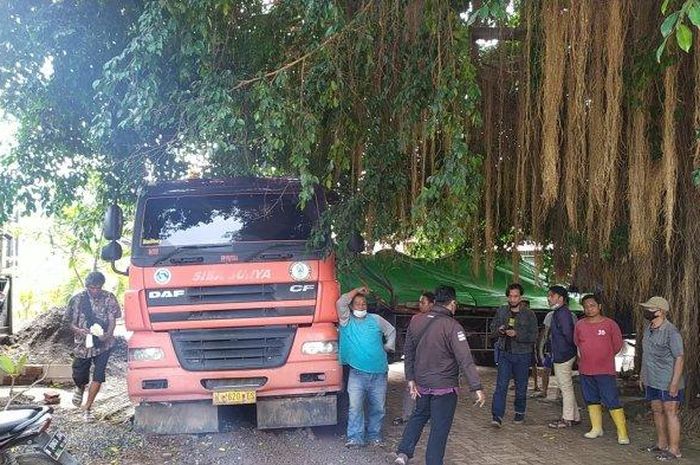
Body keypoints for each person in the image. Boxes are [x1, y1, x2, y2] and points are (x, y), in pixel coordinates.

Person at [394, 285, 485, 465]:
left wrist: (410, 378)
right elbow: (465, 359)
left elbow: (409, 352)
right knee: (439, 429)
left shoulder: (416, 320)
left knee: (419, 416)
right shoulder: (452, 326)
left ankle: (403, 454)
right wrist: (476, 387)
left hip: (421, 384)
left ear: (435, 301)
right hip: (444, 387)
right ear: (452, 304)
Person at [336, 286, 396, 448]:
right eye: (358, 304)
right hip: (357, 373)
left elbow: (391, 331)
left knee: (378, 407)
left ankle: (374, 435)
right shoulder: (346, 321)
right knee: (355, 407)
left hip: (379, 372)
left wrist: (389, 346)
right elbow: (341, 302)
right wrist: (356, 290)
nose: (361, 306)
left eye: (364, 304)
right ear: (351, 306)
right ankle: (355, 437)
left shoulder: (376, 319)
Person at [66, 271, 121, 422]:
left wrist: (108, 334)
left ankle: (87, 408)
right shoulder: (77, 299)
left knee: (98, 375)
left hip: (103, 344)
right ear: (86, 286)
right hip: (83, 345)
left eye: (98, 287)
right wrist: (80, 331)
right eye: (92, 287)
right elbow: (68, 322)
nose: (95, 290)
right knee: (80, 374)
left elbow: (112, 319)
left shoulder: (109, 298)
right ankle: (79, 387)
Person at [573, 294, 628, 444]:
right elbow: (577, 343)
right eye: (586, 306)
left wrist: (604, 356)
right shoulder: (580, 325)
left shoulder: (610, 324)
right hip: (586, 369)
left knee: (611, 399)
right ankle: (596, 428)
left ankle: (622, 432)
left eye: (592, 305)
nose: (589, 309)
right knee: (591, 399)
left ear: (599, 307)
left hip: (605, 370)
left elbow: (617, 345)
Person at [639, 296, 684, 461]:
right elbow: (646, 354)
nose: (647, 312)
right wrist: (643, 375)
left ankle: (674, 450)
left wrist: (674, 383)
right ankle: (662, 444)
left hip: (668, 380)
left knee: (671, 412)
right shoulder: (648, 328)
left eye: (651, 309)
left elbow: (679, 358)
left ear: (662, 311)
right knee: (657, 411)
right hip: (652, 379)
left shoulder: (671, 332)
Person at [489, 283, 538, 427]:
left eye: (516, 296)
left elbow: (534, 335)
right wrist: (500, 330)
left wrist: (517, 334)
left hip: (522, 354)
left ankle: (520, 412)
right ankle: (497, 416)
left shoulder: (529, 314)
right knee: (501, 386)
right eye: (510, 296)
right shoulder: (502, 311)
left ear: (521, 297)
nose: (513, 299)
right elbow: (492, 330)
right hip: (505, 353)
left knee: (521, 386)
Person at [393, 291, 435, 426]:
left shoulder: (438, 321)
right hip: (418, 360)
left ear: (432, 304)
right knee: (411, 387)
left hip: (431, 361)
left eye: (423, 303)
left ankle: (427, 416)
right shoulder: (416, 319)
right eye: (420, 302)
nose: (420, 305)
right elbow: (410, 343)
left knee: (430, 389)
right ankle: (407, 416)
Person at [547, 285, 581, 428]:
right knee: (565, 386)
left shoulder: (562, 313)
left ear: (561, 298)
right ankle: (575, 416)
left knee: (565, 387)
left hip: (564, 354)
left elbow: (568, 334)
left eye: (552, 296)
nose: (549, 298)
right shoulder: (562, 312)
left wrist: (568, 350)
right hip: (564, 353)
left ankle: (567, 419)